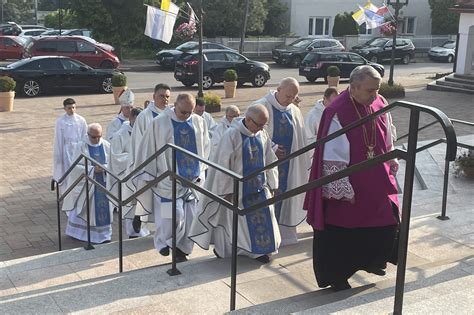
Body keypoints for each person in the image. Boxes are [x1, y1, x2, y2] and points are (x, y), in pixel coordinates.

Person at [304, 65, 399, 291]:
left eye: (376, 89)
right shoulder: (337, 111)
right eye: (370, 90)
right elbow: (331, 153)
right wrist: (341, 188)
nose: (375, 95)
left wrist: (391, 154)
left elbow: (386, 132)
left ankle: (374, 261)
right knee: (343, 230)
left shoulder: (379, 102)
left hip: (376, 178)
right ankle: (338, 276)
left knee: (387, 222)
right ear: (354, 88)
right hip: (350, 183)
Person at [189, 104, 281, 264]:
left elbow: (269, 159)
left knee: (266, 218)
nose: (260, 128)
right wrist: (227, 191)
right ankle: (225, 250)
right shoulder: (231, 135)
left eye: (263, 125)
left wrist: (273, 184)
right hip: (237, 189)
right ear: (248, 119)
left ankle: (258, 252)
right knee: (232, 222)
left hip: (259, 187)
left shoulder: (262, 134)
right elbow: (223, 164)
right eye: (258, 124)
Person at [131, 93, 210, 262]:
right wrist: (149, 174)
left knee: (189, 218)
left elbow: (205, 147)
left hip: (192, 181)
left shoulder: (198, 121)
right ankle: (164, 242)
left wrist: (201, 170)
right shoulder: (159, 123)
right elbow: (148, 149)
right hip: (167, 182)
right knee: (171, 216)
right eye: (183, 112)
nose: (187, 116)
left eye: (190, 112)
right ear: (175, 105)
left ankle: (182, 250)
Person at [253, 77, 310, 246]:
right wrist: (272, 147)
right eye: (287, 96)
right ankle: (267, 238)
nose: (290, 100)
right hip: (268, 166)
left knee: (287, 197)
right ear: (278, 89)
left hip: (289, 166)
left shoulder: (293, 110)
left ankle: (285, 235)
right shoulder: (261, 106)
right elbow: (251, 134)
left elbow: (300, 137)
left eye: (293, 97)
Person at [62, 123, 113, 244]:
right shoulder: (81, 146)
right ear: (88, 135)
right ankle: (80, 233)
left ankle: (103, 234)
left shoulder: (106, 145)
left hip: (103, 183)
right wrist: (92, 170)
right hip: (87, 185)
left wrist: (105, 168)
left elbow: (113, 163)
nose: (97, 139)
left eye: (99, 136)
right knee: (85, 207)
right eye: (94, 137)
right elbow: (74, 167)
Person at [108, 107, 149, 238]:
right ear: (131, 119)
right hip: (128, 175)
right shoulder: (120, 135)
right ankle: (133, 233)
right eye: (137, 121)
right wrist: (135, 158)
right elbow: (116, 157)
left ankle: (144, 230)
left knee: (144, 202)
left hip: (143, 174)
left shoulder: (146, 132)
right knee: (131, 204)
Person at [52, 98, 87, 193]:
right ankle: (67, 193)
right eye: (69, 108)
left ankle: (79, 192)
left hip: (78, 148)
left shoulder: (81, 120)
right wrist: (59, 155)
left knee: (79, 170)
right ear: (65, 109)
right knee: (67, 171)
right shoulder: (61, 121)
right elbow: (58, 138)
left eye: (73, 107)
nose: (72, 110)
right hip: (66, 149)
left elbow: (85, 135)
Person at [130, 83, 171, 165]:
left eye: (167, 97)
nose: (165, 99)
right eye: (162, 96)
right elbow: (138, 140)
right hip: (150, 160)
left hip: (168, 158)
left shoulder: (171, 114)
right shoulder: (144, 116)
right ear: (154, 96)